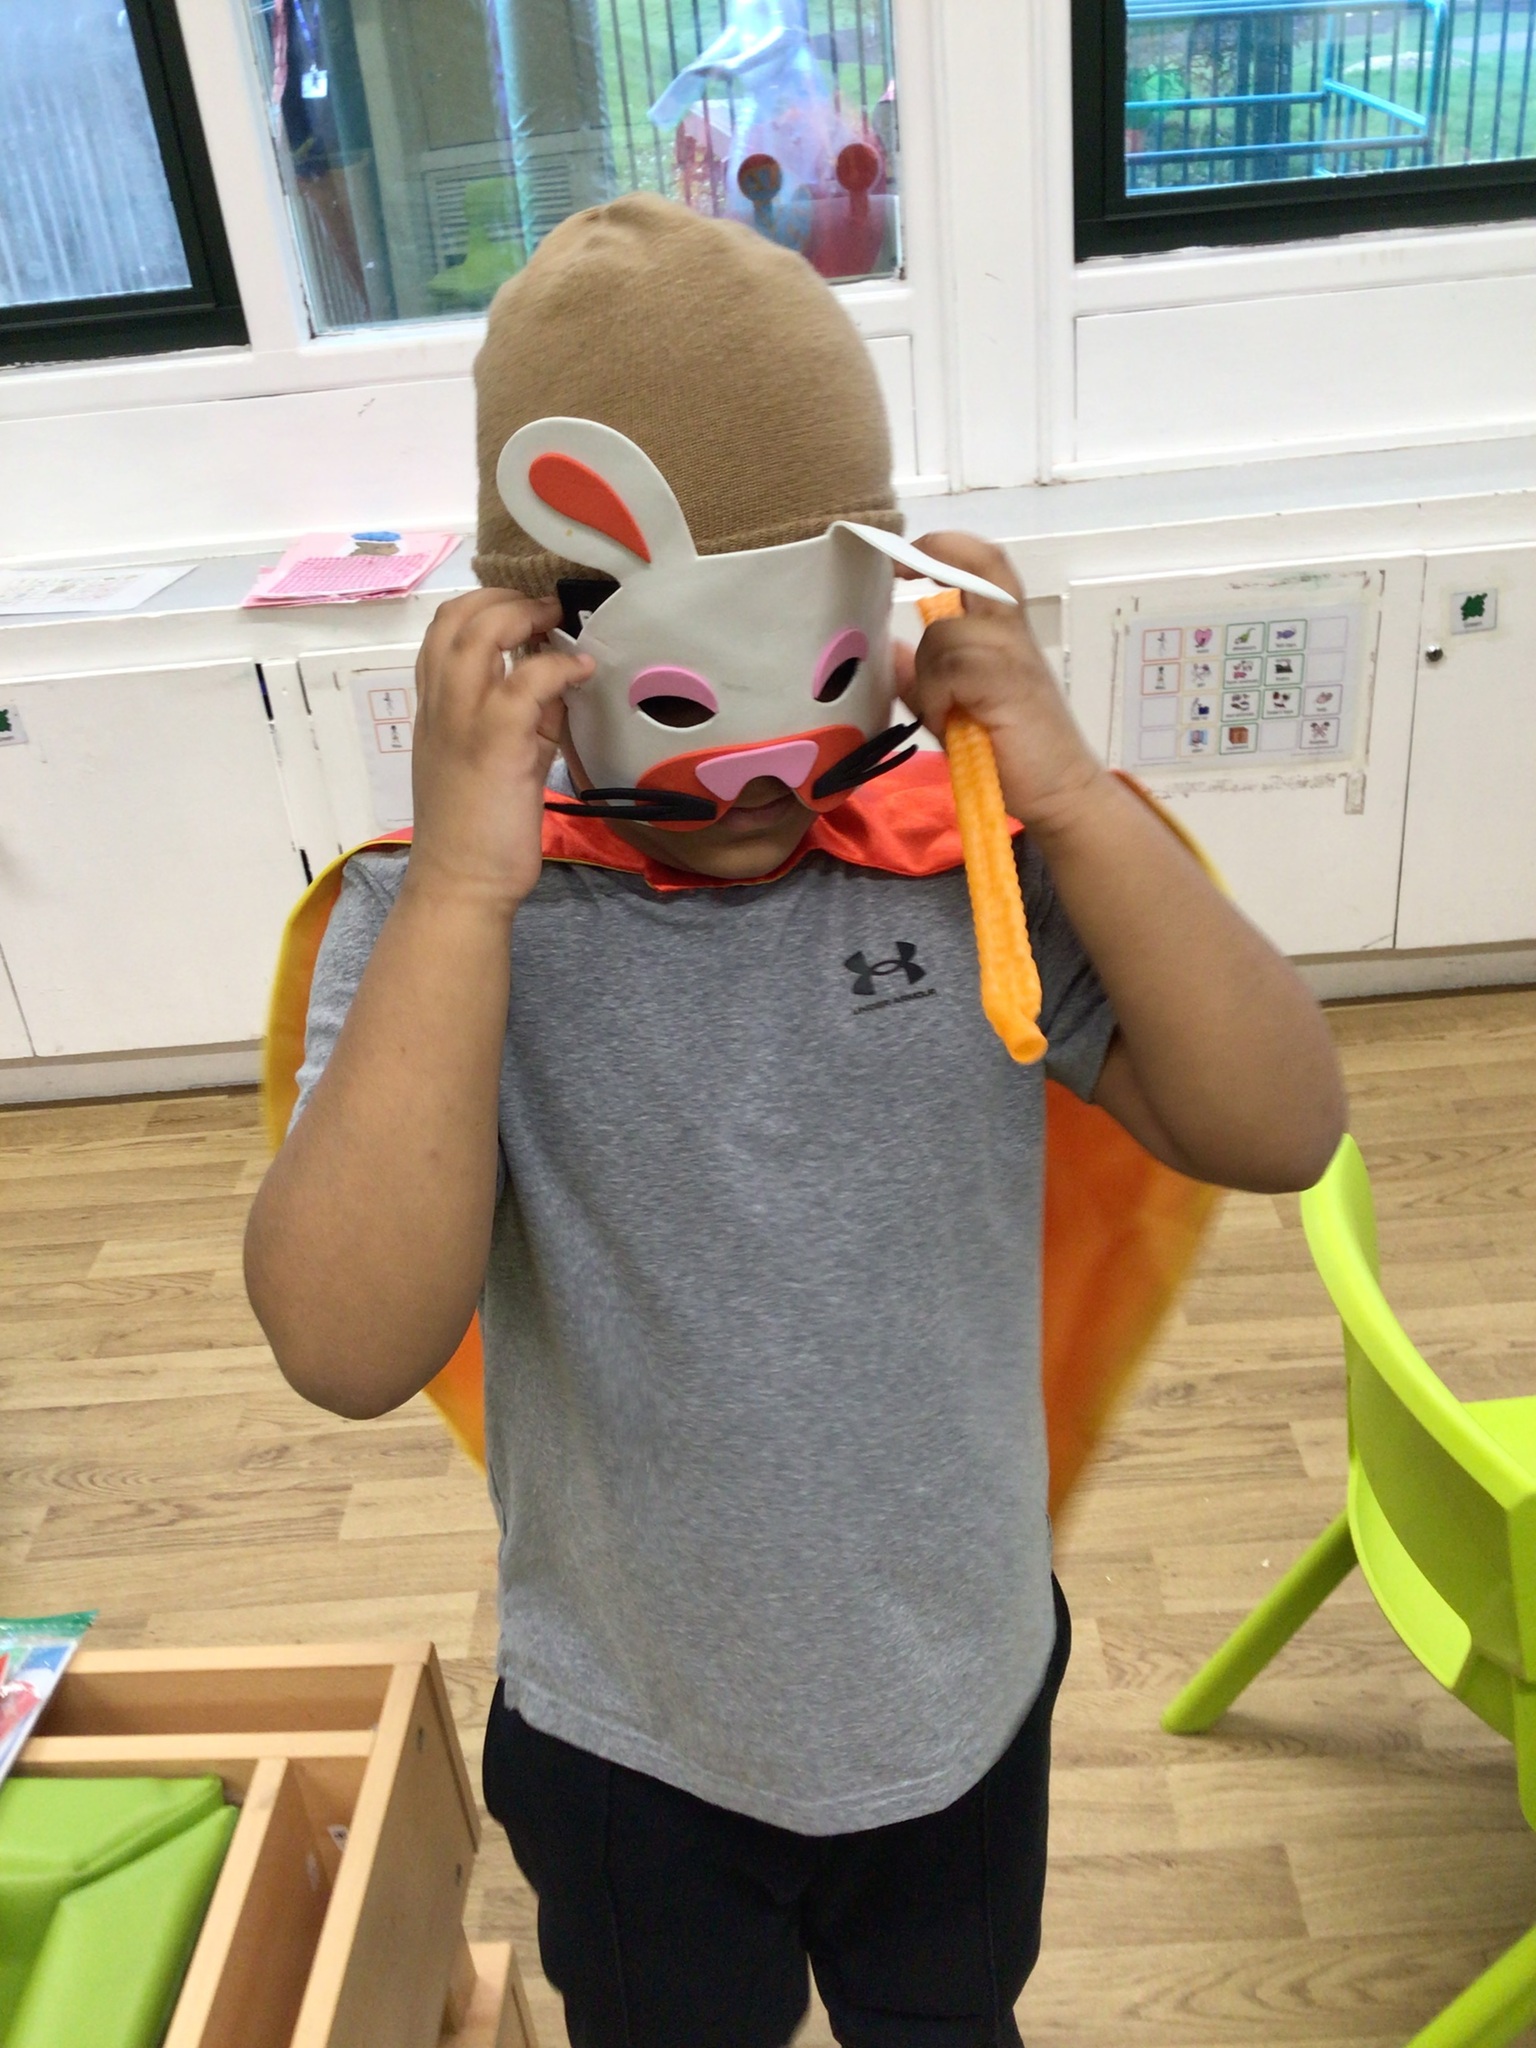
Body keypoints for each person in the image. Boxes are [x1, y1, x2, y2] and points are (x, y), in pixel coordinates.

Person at [244, 193, 1346, 2048]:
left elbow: (1283, 1124)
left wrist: (1071, 793)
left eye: (814, 666)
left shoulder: (972, 862)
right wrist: (463, 890)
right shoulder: (450, 930)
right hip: (636, 1743)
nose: (753, 768)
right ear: (533, 649)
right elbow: (345, 1346)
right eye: (684, 694)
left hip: (964, 1701)